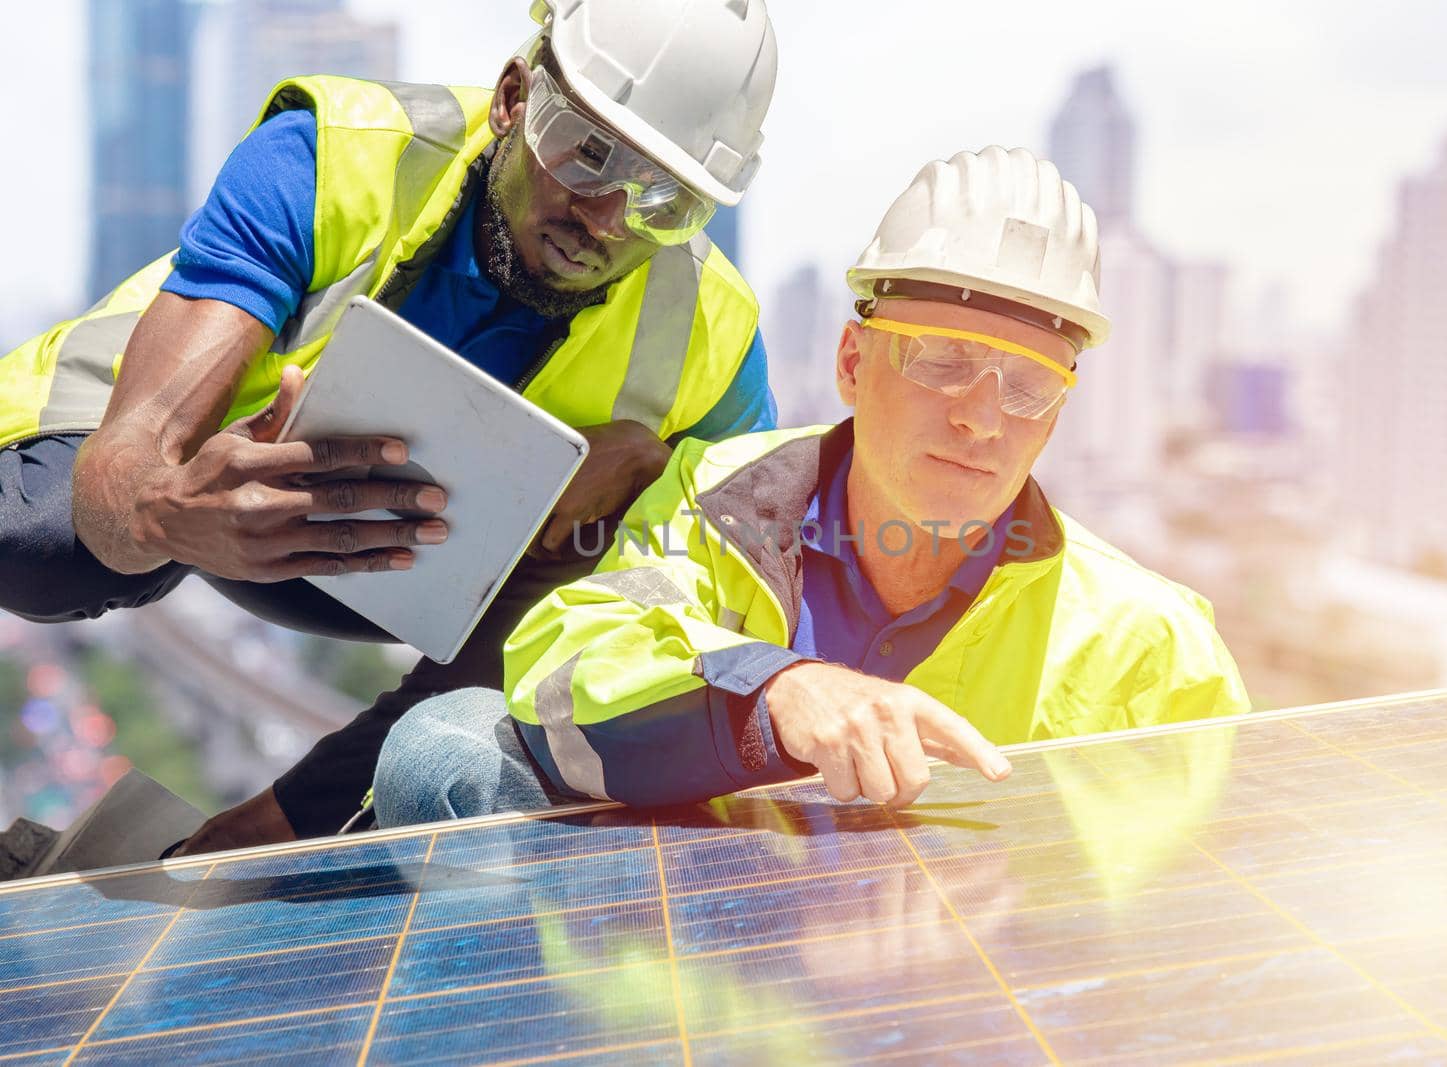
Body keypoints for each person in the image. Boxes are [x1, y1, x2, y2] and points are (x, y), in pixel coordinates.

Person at [0, 0, 780, 850]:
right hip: (154, 477)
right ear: (514, 99)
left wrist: (645, 461)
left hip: (403, 556)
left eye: (663, 202)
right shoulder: (330, 155)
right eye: (587, 154)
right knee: (43, 548)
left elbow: (741, 590)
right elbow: (128, 465)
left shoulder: (713, 330)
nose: (605, 218)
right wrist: (171, 512)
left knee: (617, 584)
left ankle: (272, 829)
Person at [371, 146, 1252, 826]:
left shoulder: (1155, 651)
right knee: (444, 753)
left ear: (1056, 416)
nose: (983, 418)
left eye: (1026, 386)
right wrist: (777, 693)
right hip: (704, 969)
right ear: (852, 362)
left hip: (967, 1012)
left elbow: (1209, 906)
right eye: (943, 360)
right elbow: (564, 663)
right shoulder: (718, 500)